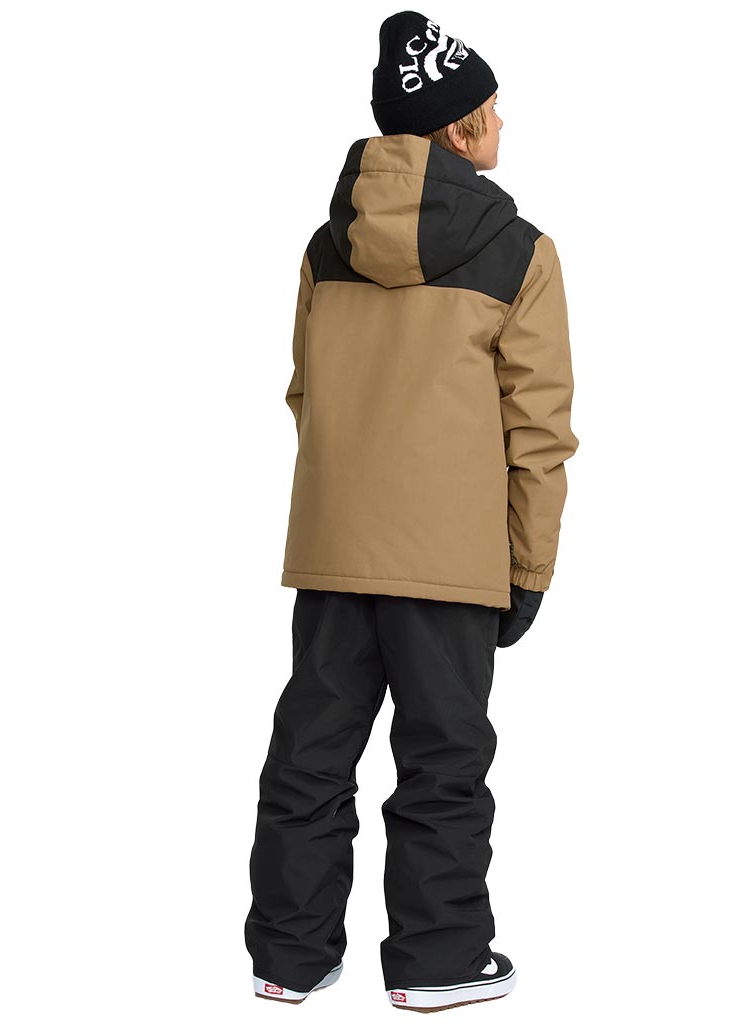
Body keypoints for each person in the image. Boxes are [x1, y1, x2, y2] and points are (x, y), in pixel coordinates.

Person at [244, 10, 579, 1013]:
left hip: (333, 549)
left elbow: (305, 392)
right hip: (450, 561)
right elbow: (538, 435)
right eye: (493, 110)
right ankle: (438, 961)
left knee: (311, 751)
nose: (503, 123)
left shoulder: (327, 245)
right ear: (461, 130)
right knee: (442, 759)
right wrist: (528, 568)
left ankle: (289, 957)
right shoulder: (518, 251)